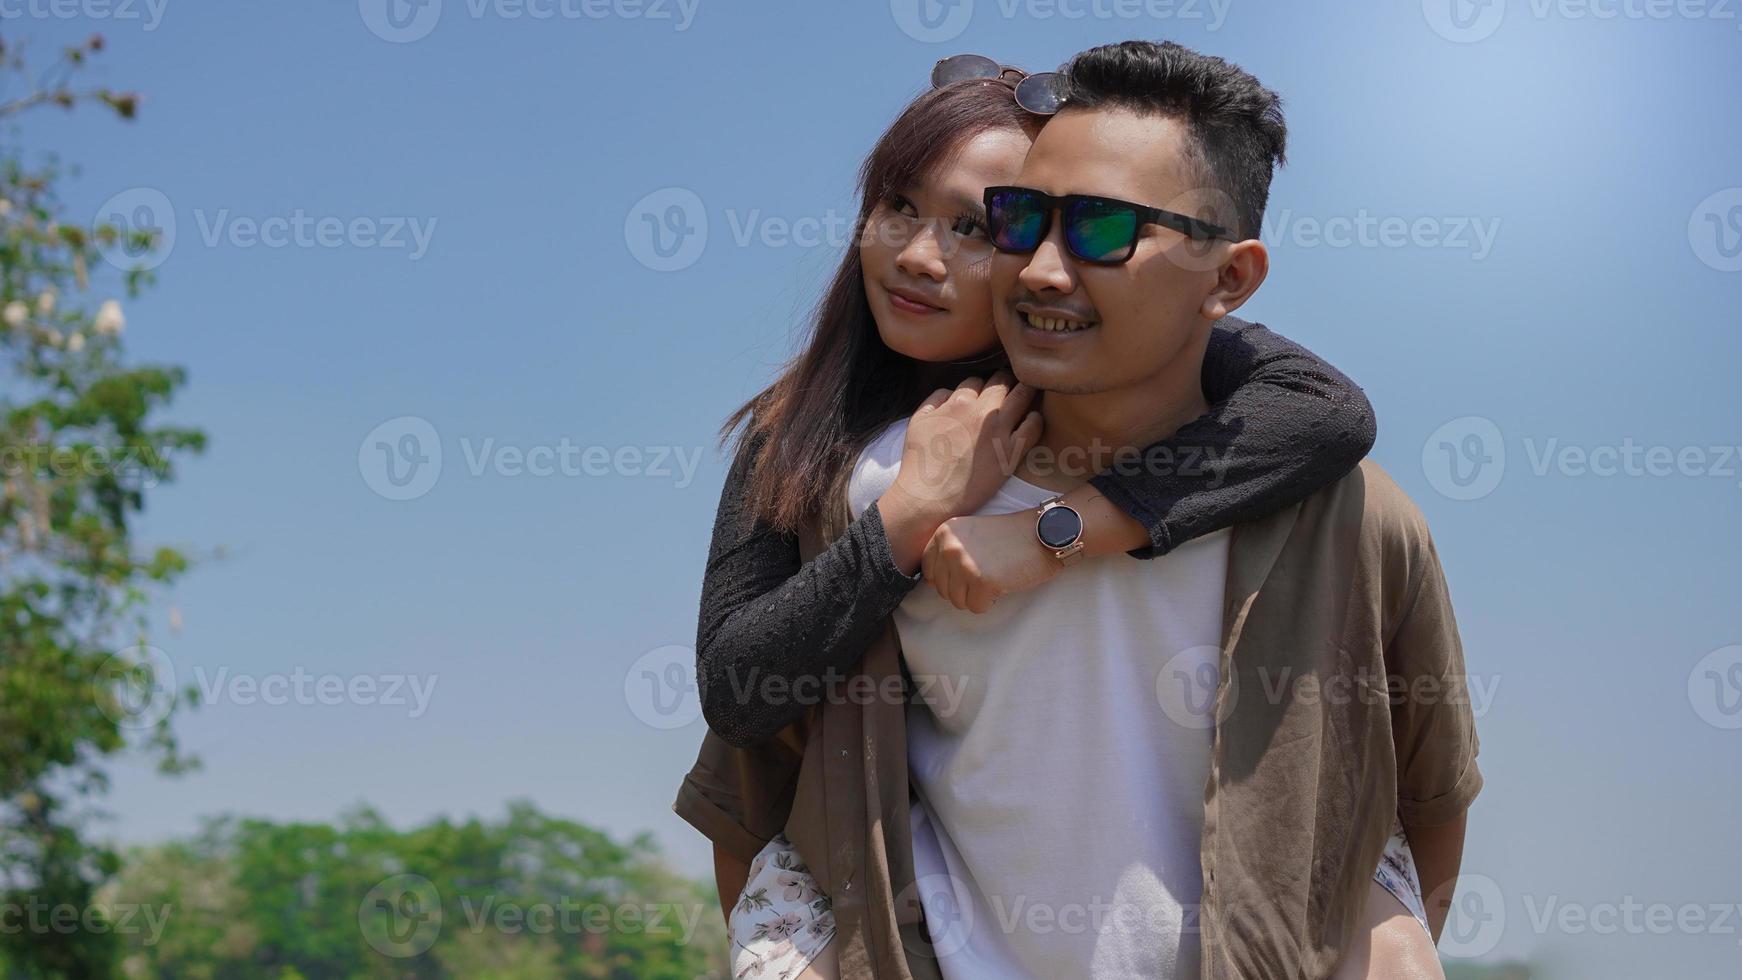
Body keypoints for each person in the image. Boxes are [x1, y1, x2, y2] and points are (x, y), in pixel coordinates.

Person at [676, 47, 1463, 979]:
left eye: (978, 224)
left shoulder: (1280, 458)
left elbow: (1330, 410)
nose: (923, 257)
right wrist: (910, 514)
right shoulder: (814, 450)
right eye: (899, 206)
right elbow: (744, 729)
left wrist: (1063, 529)